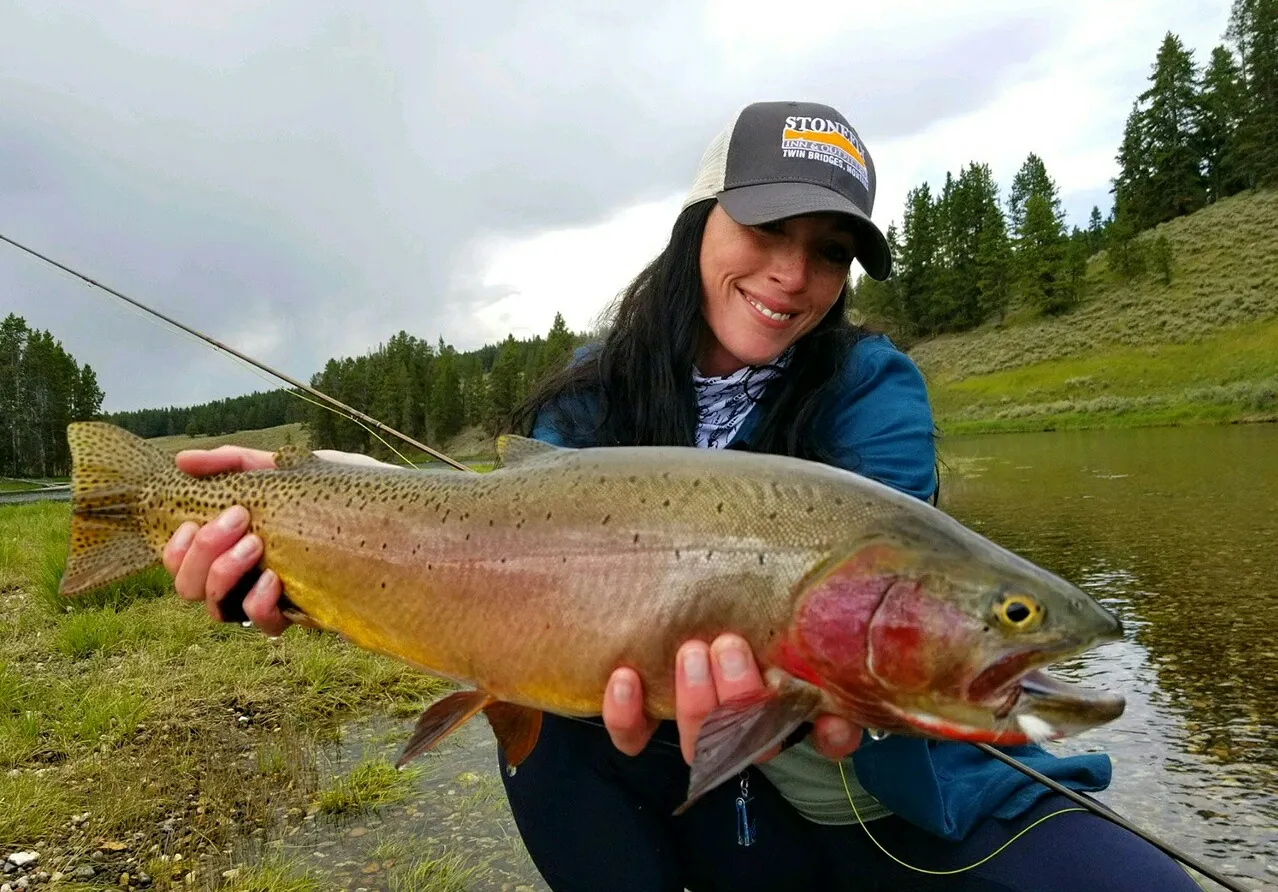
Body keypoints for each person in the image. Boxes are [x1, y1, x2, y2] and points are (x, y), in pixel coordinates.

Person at [162, 101, 1200, 892]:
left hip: (871, 786)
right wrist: (301, 524)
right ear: (699, 221)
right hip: (641, 768)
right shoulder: (595, 387)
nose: (794, 275)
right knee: (556, 729)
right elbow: (478, 534)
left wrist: (870, 697)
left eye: (829, 251)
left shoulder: (873, 388)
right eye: (766, 229)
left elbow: (880, 627)